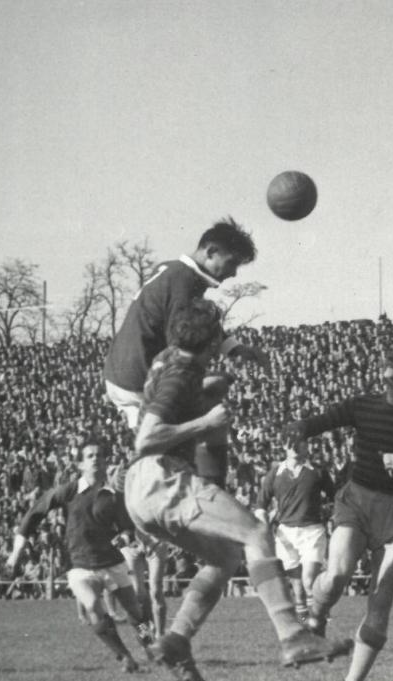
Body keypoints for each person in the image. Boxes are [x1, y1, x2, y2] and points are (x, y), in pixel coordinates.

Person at [124, 299, 349, 680]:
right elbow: (146, 438)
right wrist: (206, 421)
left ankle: (176, 639)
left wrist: (210, 389)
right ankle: (293, 636)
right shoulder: (182, 373)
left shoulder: (167, 359)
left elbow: (175, 396)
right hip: (163, 476)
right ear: (212, 342)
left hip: (140, 491)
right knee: (256, 533)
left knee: (225, 557)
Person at [103, 218, 268, 638]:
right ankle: (143, 506)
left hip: (126, 374)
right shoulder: (182, 282)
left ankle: (170, 496)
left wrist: (233, 347)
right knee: (167, 440)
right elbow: (184, 341)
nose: (232, 273)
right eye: (231, 263)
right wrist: (202, 384)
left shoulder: (175, 273)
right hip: (135, 380)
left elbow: (197, 326)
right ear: (210, 252)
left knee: (194, 413)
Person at [283, 336, 393, 681]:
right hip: (357, 501)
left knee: (381, 599)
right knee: (336, 576)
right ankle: (316, 618)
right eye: (389, 351)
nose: (390, 355)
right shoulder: (363, 404)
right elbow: (324, 420)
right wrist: (301, 427)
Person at [5, 439, 154, 673]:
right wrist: (16, 553)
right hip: (79, 565)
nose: (95, 459)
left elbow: (127, 528)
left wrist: (124, 538)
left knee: (136, 613)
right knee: (93, 605)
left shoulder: (113, 495)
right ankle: (125, 657)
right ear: (80, 464)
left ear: (106, 462)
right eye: (90, 456)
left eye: (99, 455)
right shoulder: (68, 491)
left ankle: (151, 647)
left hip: (112, 562)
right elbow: (34, 514)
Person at [254, 433, 337, 621]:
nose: (296, 447)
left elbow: (336, 497)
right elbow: (261, 503)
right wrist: (263, 522)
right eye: (291, 444)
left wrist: (335, 517)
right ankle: (304, 621)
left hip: (312, 531)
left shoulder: (317, 472)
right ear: (285, 446)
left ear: (307, 446)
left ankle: (320, 613)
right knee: (298, 588)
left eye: (301, 443)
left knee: (309, 580)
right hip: (286, 533)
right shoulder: (275, 473)